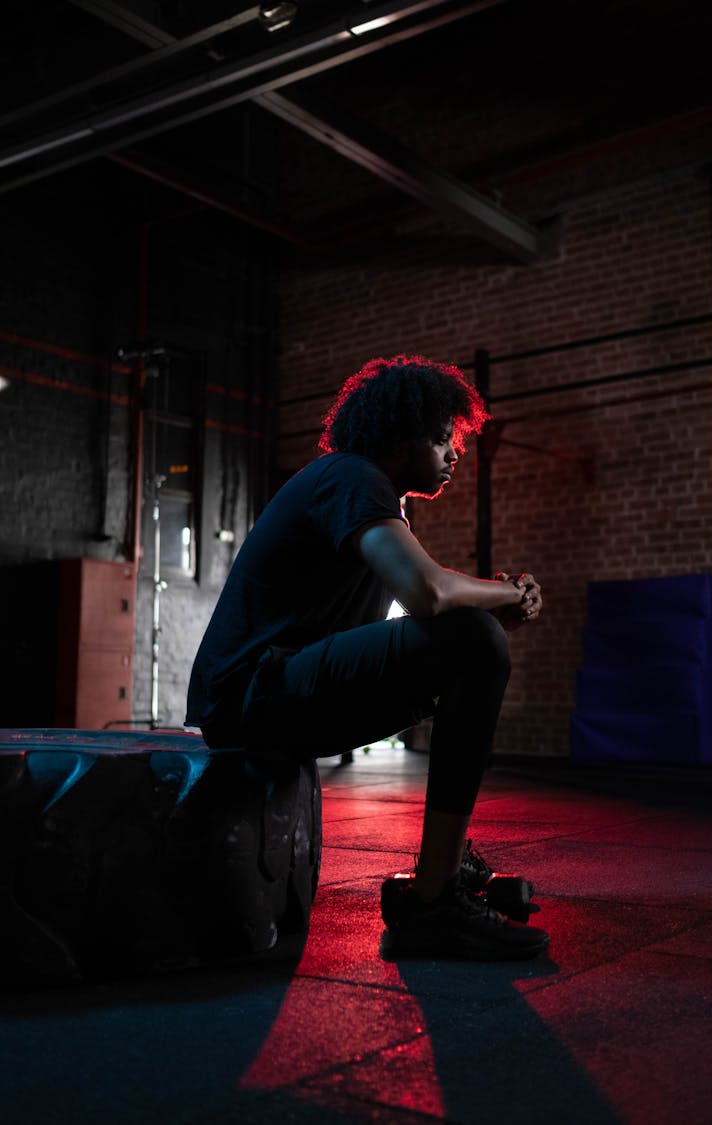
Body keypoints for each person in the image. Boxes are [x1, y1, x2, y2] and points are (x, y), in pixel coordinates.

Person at [186, 354, 549, 960]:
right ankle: (432, 907)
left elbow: (428, 600)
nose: (453, 454)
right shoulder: (350, 478)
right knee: (474, 640)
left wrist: (487, 608)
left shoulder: (370, 494)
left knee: (474, 641)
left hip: (278, 690)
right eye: (440, 439)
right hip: (249, 696)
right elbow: (428, 591)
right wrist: (508, 593)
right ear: (400, 436)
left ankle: (440, 874)